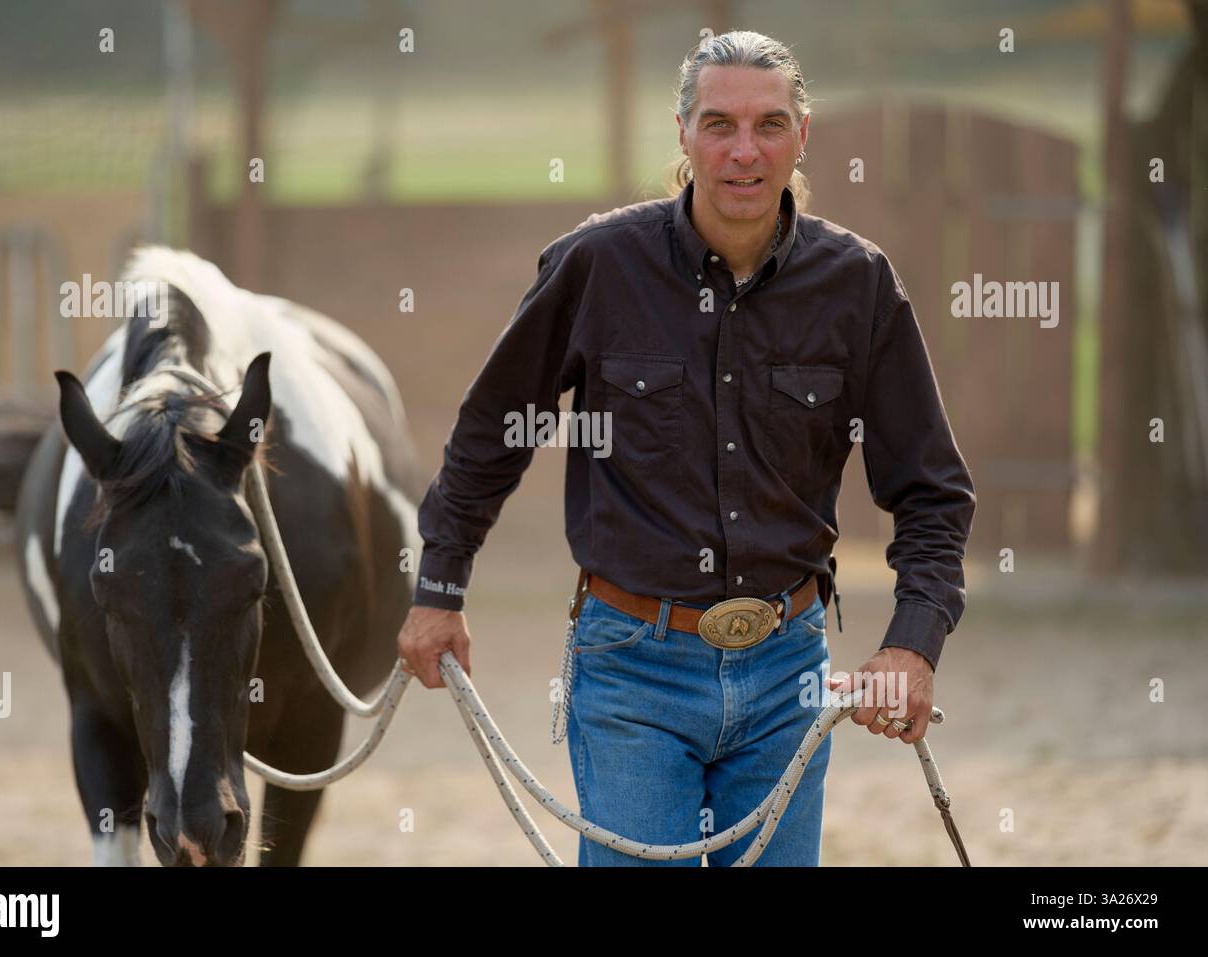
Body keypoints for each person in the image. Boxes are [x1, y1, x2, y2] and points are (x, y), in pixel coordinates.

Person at [396, 29, 975, 866]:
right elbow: (494, 430)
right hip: (632, 671)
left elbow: (932, 490)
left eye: (770, 124)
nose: (745, 151)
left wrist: (912, 643)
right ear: (682, 134)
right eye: (719, 124)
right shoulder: (597, 266)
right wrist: (439, 586)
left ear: (802, 136)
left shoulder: (860, 285)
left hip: (789, 675)